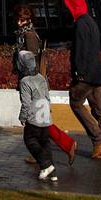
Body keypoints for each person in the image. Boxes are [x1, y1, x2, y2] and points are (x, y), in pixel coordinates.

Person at [13, 7, 76, 166]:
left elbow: (32, 62)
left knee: (36, 121)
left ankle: (65, 144)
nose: (19, 22)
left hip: (32, 83)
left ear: (29, 20)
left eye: (22, 20)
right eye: (18, 19)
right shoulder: (26, 34)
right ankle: (43, 151)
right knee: (38, 120)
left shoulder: (29, 36)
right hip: (33, 82)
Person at [63, 0, 101, 159]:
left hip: (85, 75)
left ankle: (99, 139)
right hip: (96, 73)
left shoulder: (80, 24)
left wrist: (78, 73)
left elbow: (80, 51)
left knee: (76, 103)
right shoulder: (91, 22)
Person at [16, 49, 58, 182]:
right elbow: (47, 96)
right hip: (45, 115)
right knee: (45, 142)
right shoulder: (41, 77)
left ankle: (46, 165)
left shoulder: (25, 81)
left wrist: (22, 117)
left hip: (34, 117)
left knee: (30, 140)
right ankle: (52, 172)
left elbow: (26, 103)